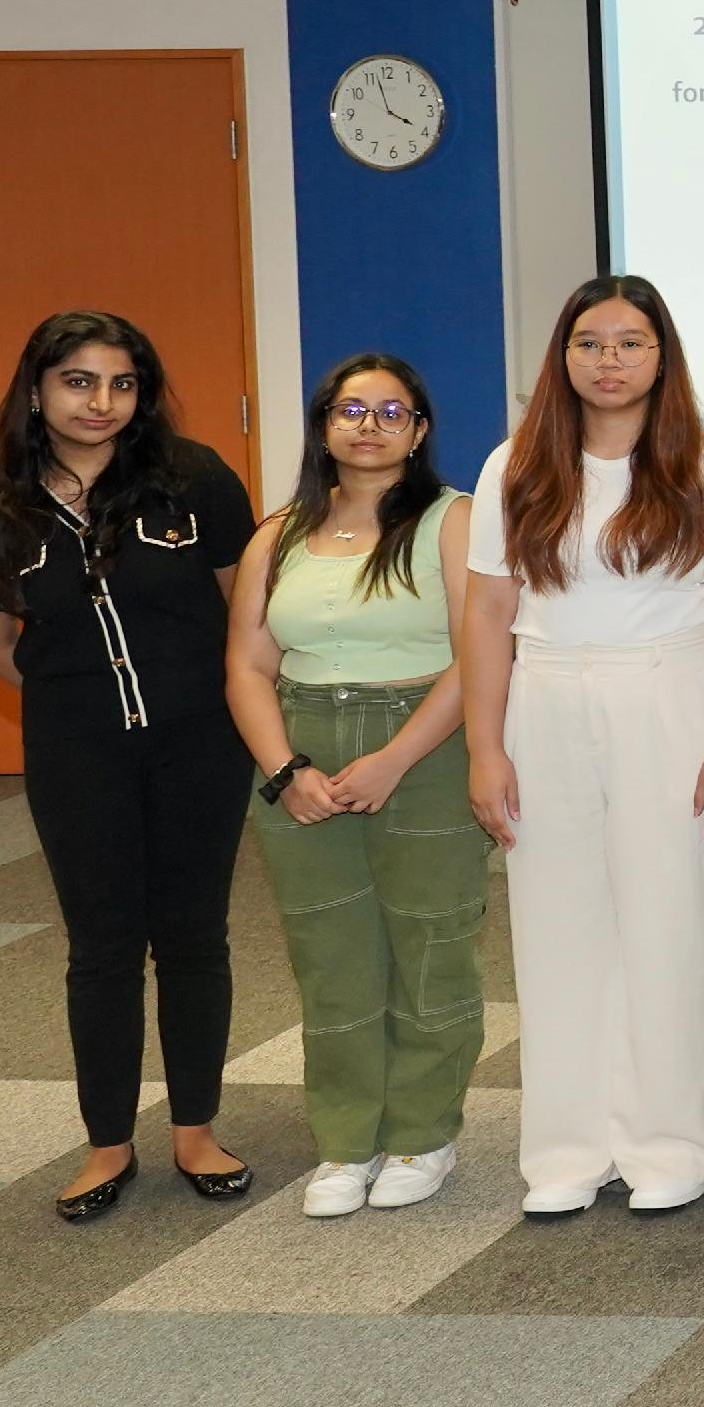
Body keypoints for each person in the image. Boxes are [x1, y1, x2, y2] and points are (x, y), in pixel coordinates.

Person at [458, 277, 704, 1217]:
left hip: (667, 699)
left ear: (661, 357)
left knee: (671, 921)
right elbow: (489, 612)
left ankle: (671, 1140)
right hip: (543, 700)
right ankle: (568, 1147)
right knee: (557, 925)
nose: (610, 360)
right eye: (590, 342)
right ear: (564, 355)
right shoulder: (515, 464)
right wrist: (484, 747)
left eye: (631, 343)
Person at [0, 312, 262, 1220]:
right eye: (79, 382)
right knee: (103, 946)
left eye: (122, 383)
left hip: (199, 741)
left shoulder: (193, 478)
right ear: (38, 389)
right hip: (76, 748)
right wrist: (76, 699)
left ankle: (197, 1129)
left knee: (195, 933)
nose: (102, 402)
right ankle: (108, 1142)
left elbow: (242, 613)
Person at [221, 356, 482, 1219]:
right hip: (301, 750)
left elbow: (477, 655)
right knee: (330, 958)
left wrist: (397, 756)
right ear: (324, 423)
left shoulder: (454, 521)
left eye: (391, 410)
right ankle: (344, 1140)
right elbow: (249, 665)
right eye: (350, 408)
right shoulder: (278, 532)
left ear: (419, 429)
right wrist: (283, 768)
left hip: (423, 746)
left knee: (428, 943)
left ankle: (422, 1131)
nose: (368, 424)